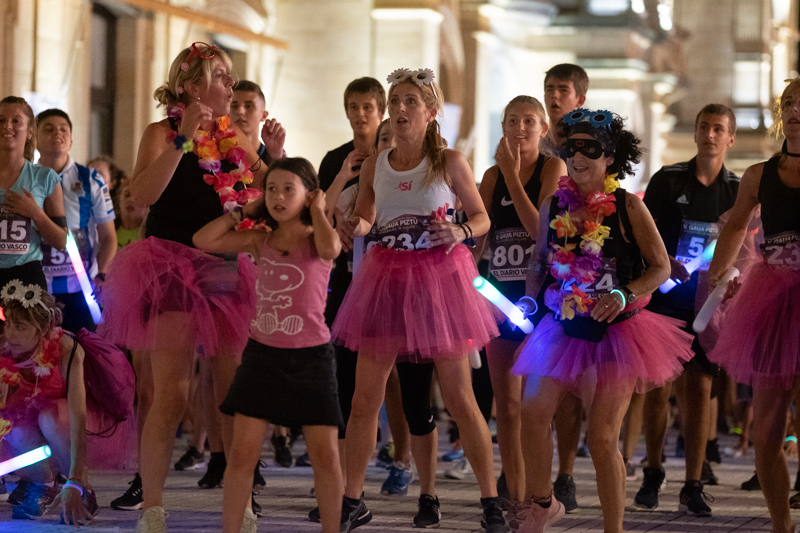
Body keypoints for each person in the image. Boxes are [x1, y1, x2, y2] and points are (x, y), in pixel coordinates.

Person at [97, 42, 267, 532]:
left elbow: (264, 190)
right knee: (171, 394)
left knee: (232, 392)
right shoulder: (161, 132)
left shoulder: (233, 136)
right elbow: (141, 196)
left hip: (224, 263)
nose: (231, 85)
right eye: (222, 76)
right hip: (170, 265)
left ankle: (240, 503)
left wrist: (272, 157)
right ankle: (153, 506)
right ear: (192, 87)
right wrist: (183, 140)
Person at [333, 67, 506, 532]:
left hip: (438, 279)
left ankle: (490, 501)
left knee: (459, 398)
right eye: (395, 101)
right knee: (364, 399)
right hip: (386, 278)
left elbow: (482, 216)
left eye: (411, 101)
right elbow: (367, 215)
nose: (400, 109)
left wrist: (461, 230)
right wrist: (354, 226)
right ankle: (352, 499)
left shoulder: (449, 161)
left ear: (431, 112)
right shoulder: (377, 163)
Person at [511, 109, 694, 533]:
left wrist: (623, 293)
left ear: (609, 158)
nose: (577, 157)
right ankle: (543, 503)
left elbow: (660, 266)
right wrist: (529, 296)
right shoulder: (553, 204)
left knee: (602, 437)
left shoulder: (629, 206)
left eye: (589, 149)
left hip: (620, 331)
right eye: (571, 149)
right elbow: (540, 258)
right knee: (532, 412)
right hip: (562, 323)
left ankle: (614, 528)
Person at [194, 157, 343, 533]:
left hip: (312, 358)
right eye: (272, 189)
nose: (278, 197)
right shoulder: (260, 239)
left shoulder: (316, 237)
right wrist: (243, 211)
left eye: (289, 189)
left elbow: (331, 250)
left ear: (309, 195)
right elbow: (202, 240)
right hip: (262, 356)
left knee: (325, 457)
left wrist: (319, 210)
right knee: (242, 455)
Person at [633, 104, 739, 516]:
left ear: (730, 138)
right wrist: (663, 262)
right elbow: (644, 233)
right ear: (695, 133)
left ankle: (693, 483)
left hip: (707, 305)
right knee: (658, 388)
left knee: (699, 392)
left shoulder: (737, 190)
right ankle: (653, 470)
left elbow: (746, 248)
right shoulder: (668, 179)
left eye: (718, 129)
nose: (710, 134)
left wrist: (733, 280)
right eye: (704, 127)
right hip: (665, 299)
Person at [706, 78, 800, 533]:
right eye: (790, 103)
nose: (796, 111)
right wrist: (720, 275)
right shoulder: (760, 174)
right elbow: (735, 227)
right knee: (764, 432)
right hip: (774, 301)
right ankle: (782, 524)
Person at [473, 95, 565, 527]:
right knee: (506, 407)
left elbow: (539, 231)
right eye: (512, 121)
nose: (520, 128)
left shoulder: (551, 168)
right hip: (500, 298)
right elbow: (479, 240)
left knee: (534, 408)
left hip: (539, 300)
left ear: (543, 129)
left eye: (529, 121)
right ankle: (515, 493)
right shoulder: (491, 176)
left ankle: (539, 496)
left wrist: (512, 176)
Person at [0, 282, 134, 523]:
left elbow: (77, 416)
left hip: (76, 420)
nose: (10, 334)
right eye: (8, 324)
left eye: (20, 327)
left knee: (51, 416)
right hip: (38, 416)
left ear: (43, 329)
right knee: (12, 428)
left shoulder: (66, 349)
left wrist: (75, 481)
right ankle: (44, 485)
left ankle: (84, 491)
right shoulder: (6, 349)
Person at [230, 79, 293, 469]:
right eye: (234, 104)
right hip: (228, 261)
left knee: (274, 354)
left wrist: (276, 153)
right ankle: (229, 452)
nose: (240, 112)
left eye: (248, 106)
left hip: (267, 267)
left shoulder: (274, 158)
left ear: (263, 113)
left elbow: (288, 204)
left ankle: (281, 430)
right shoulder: (215, 154)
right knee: (231, 361)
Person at [540, 63, 591, 513]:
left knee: (571, 382)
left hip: (581, 269)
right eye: (549, 88)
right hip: (538, 265)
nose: (554, 96)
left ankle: (567, 472)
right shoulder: (532, 142)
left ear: (580, 99)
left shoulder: (590, 144)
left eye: (563, 89)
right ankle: (529, 468)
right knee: (535, 378)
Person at [36, 108, 118, 332]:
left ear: (71, 141)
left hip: (82, 289)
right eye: (49, 129)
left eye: (63, 129)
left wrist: (102, 274)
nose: (57, 133)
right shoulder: (25, 178)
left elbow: (108, 236)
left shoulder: (91, 179)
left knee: (82, 348)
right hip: (37, 288)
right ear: (35, 140)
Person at [0, 97, 68, 290]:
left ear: (30, 131)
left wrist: (36, 213)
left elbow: (61, 242)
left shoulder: (45, 178)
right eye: (1, 120)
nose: (7, 126)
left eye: (16, 121)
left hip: (26, 276)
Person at [87, 155, 126, 226]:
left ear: (112, 183)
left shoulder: (121, 219)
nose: (92, 179)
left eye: (100, 174)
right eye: (89, 173)